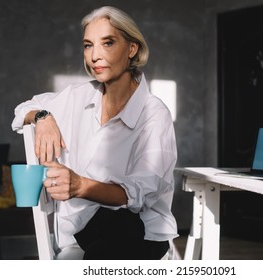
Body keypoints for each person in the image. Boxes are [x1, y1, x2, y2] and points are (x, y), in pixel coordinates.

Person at [11, 6, 178, 260]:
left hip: (139, 237)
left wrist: (80, 186)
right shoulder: (76, 97)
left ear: (132, 49)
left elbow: (141, 192)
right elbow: (23, 109)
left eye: (108, 43)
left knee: (122, 231)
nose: (95, 56)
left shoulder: (155, 113)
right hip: (77, 238)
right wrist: (43, 117)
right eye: (88, 45)